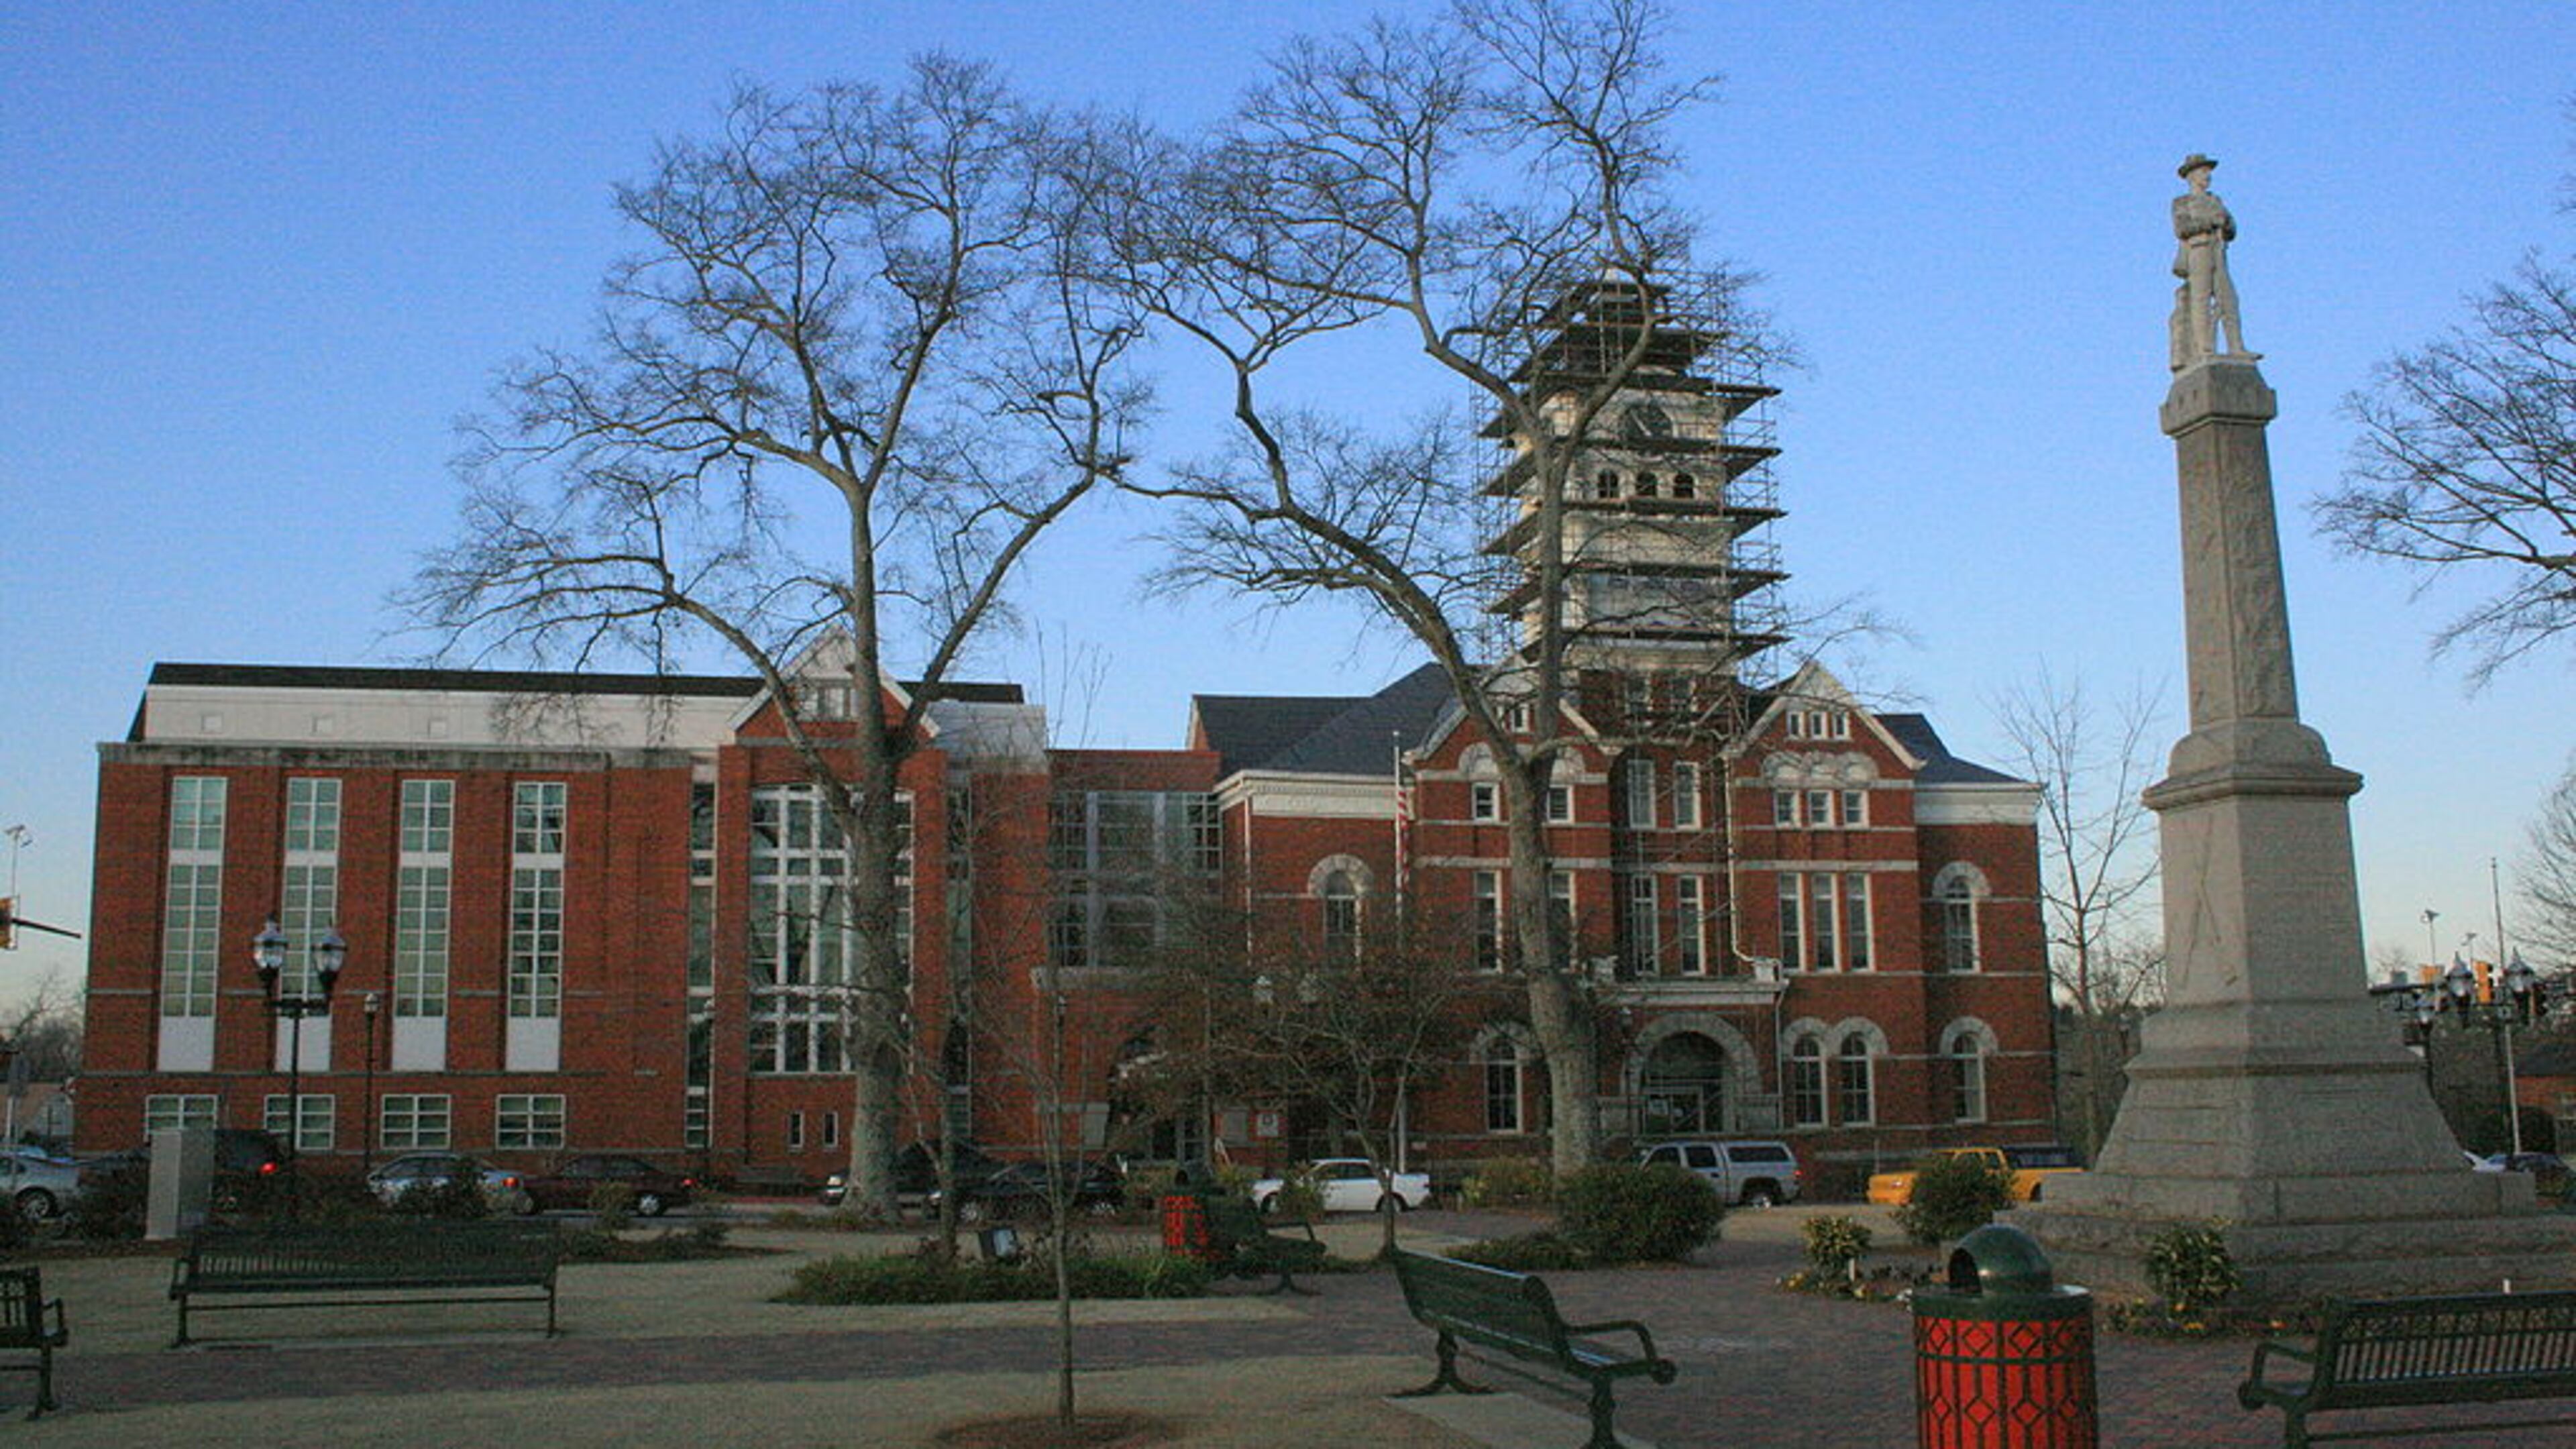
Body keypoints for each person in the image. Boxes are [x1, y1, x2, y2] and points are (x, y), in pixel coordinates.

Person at [2169, 153, 2251, 368]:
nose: (2207, 176)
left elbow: (2232, 229)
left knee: (2229, 299)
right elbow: (2182, 228)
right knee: (2201, 299)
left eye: (2208, 172)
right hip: (2199, 250)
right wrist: (2209, 222)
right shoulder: (2182, 203)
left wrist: (2226, 224)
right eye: (2203, 172)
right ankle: (2204, 348)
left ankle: (2237, 347)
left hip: (2219, 250)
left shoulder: (2215, 200)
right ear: (2191, 176)